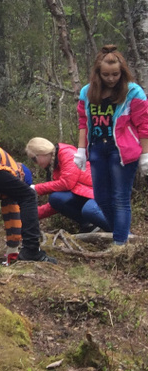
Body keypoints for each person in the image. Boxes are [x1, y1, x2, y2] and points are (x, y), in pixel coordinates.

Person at [74, 46, 148, 247]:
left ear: (122, 71)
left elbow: (144, 124)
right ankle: (123, 235)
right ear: (98, 72)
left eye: (115, 74)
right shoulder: (87, 92)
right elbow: (83, 122)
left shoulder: (133, 91)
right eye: (106, 74)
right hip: (97, 148)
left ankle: (119, 245)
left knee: (120, 198)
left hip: (122, 151)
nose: (111, 78)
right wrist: (81, 150)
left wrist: (146, 154)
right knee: (101, 197)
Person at [25, 137, 108, 233]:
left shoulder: (66, 154)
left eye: (34, 159)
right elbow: (57, 203)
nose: (35, 163)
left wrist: (36, 188)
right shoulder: (54, 168)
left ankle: (124, 235)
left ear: (42, 152)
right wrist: (33, 214)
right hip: (86, 194)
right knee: (55, 198)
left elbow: (67, 183)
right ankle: (90, 226)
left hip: (100, 192)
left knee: (89, 210)